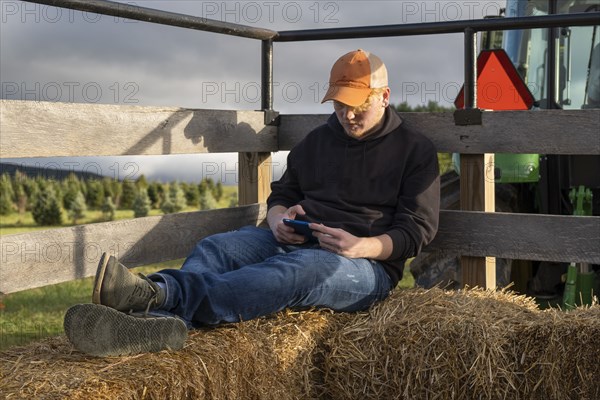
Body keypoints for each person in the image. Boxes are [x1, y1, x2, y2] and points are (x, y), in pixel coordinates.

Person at [64, 49, 441, 357]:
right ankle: (162, 325)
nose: (348, 114)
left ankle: (162, 293)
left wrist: (363, 246)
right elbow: (283, 194)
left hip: (366, 268)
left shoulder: (414, 151)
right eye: (340, 104)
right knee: (218, 247)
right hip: (295, 237)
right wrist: (279, 218)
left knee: (300, 270)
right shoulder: (317, 141)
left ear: (385, 97)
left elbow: (417, 230)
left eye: (359, 104)